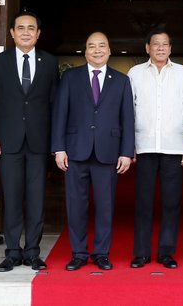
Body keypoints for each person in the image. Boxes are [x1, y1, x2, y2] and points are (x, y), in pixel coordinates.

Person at [52, 31, 135, 271]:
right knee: (76, 205)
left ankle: (101, 253)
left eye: (102, 46)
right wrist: (59, 148)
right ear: (85, 51)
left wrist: (126, 152)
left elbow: (127, 119)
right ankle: (78, 253)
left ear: (109, 51)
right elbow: (60, 115)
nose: (97, 50)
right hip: (75, 151)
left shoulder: (121, 80)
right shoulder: (70, 77)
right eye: (92, 46)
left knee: (105, 206)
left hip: (108, 152)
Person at [0, 11, 59, 272]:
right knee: (12, 198)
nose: (26, 32)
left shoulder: (50, 62)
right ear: (12, 33)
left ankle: (33, 252)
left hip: (39, 142)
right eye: (21, 28)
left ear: (38, 34)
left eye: (31, 28)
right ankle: (13, 251)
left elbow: (55, 105)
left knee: (37, 199)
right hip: (8, 142)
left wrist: (56, 142)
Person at [127, 27, 183, 269]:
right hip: (144, 145)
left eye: (165, 44)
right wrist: (129, 145)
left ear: (170, 48)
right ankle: (141, 253)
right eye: (156, 44)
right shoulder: (135, 74)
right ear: (148, 48)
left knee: (171, 202)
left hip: (174, 146)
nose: (161, 48)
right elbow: (129, 112)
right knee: (143, 201)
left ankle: (166, 252)